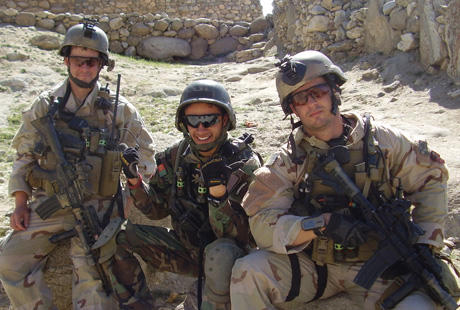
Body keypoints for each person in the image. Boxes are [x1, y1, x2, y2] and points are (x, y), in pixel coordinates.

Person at [230, 50, 460, 310]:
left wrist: (426, 242)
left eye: (318, 92)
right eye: (300, 99)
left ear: (334, 90)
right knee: (249, 271)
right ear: (292, 109)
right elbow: (262, 223)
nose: (311, 103)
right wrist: (321, 224)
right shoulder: (289, 160)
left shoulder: (382, 142)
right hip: (315, 267)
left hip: (382, 267)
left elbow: (430, 178)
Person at [0, 20, 156, 309]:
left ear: (102, 65)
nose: (84, 67)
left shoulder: (121, 110)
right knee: (8, 260)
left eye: (92, 61)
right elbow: (24, 155)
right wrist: (20, 202)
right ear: (66, 60)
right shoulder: (45, 105)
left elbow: (145, 158)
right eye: (78, 60)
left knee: (94, 274)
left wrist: (129, 191)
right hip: (52, 202)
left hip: (100, 205)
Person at [115, 79, 262, 309]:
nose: (201, 129)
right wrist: (134, 180)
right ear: (184, 124)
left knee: (220, 253)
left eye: (209, 120)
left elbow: (240, 237)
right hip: (187, 250)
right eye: (193, 121)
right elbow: (156, 210)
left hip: (230, 260)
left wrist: (218, 197)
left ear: (224, 120)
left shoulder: (243, 164)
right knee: (117, 236)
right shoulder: (176, 155)